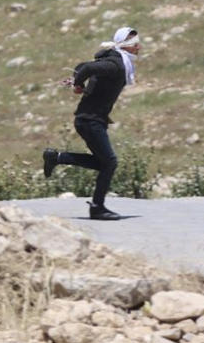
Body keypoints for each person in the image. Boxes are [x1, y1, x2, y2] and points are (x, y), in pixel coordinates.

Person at [42, 27, 140, 221]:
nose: (139, 46)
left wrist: (79, 82)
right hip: (90, 120)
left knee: (104, 163)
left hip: (92, 119)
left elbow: (82, 66)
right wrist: (78, 84)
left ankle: (57, 157)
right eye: (135, 43)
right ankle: (97, 208)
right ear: (126, 46)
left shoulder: (111, 60)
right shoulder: (115, 65)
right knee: (110, 162)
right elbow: (85, 68)